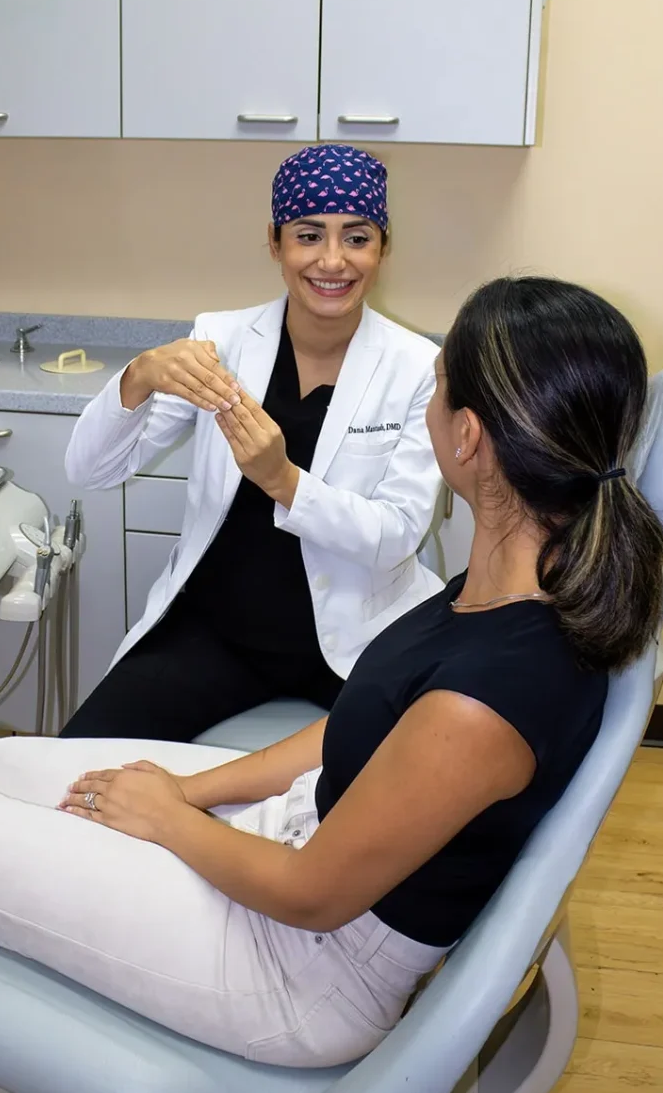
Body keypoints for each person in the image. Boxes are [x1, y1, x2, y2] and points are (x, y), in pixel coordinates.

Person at [0, 277, 663, 1070]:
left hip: (298, 970)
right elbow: (356, 731)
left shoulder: (493, 695)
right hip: (296, 829)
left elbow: (309, 897)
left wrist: (168, 819)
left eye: (439, 388)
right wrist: (197, 789)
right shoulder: (505, 590)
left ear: (468, 435)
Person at [60, 144, 443, 740]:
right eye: (309, 235)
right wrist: (137, 378)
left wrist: (282, 481)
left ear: (383, 247)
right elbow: (90, 470)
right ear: (275, 242)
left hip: (357, 635)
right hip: (216, 630)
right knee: (85, 758)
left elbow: (396, 535)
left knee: (383, 806)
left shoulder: (419, 367)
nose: (333, 261)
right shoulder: (222, 342)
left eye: (357, 237)